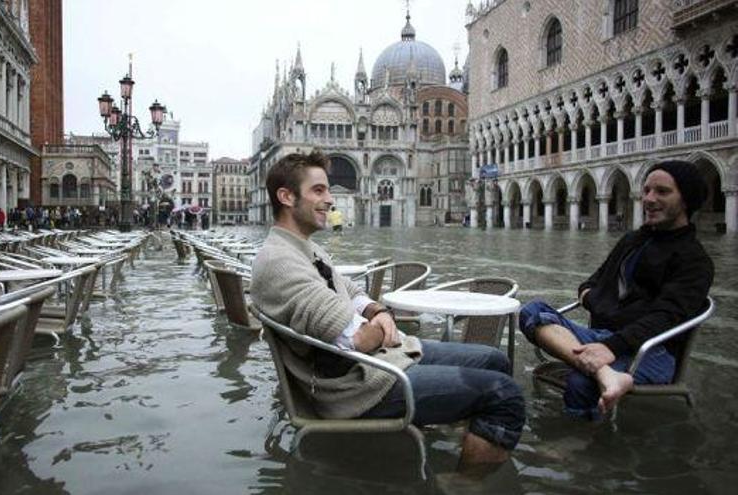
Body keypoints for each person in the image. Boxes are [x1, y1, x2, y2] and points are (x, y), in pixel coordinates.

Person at [250, 151, 525, 468]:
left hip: (381, 361)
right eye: (318, 190)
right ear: (286, 197)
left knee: (495, 359)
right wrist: (381, 326)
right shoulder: (280, 263)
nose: (330, 200)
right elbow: (361, 341)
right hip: (358, 388)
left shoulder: (305, 247)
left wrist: (378, 310)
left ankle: (476, 432)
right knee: (505, 394)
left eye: (328, 190)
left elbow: (349, 290)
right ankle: (465, 483)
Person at [520, 160, 714, 419]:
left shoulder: (694, 260)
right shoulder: (632, 240)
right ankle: (605, 374)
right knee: (533, 311)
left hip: (651, 351)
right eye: (646, 191)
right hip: (602, 337)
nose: (649, 198)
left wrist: (611, 342)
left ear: (686, 200)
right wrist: (605, 313)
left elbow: (664, 317)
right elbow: (589, 285)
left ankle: (581, 446)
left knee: (581, 382)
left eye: (662, 192)